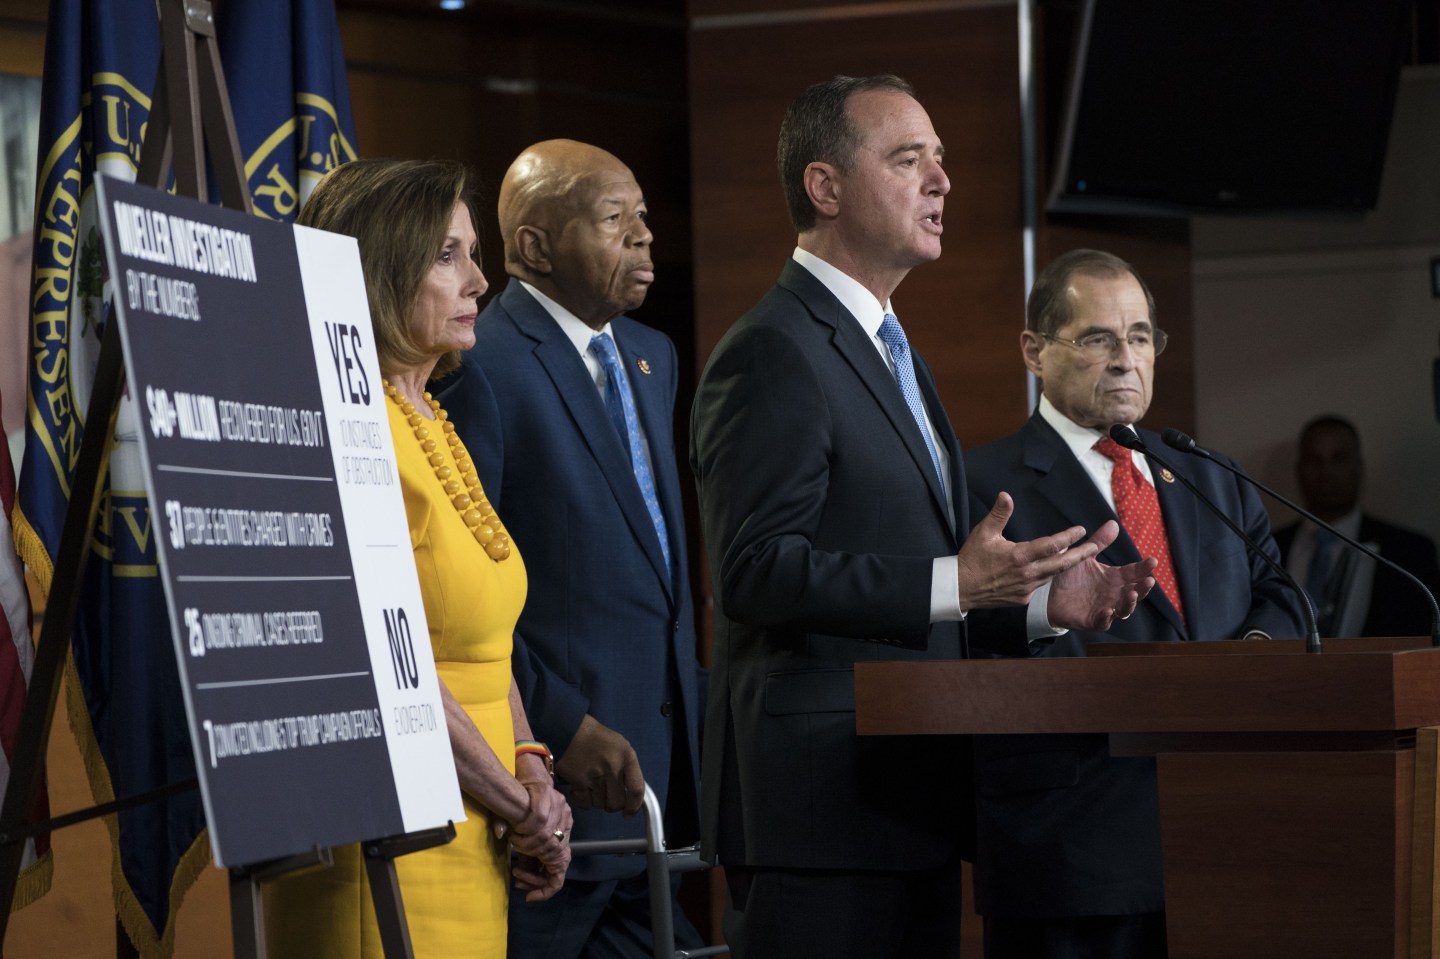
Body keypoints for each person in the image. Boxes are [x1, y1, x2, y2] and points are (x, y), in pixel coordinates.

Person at [689, 76, 1156, 959]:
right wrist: (956, 580)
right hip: (820, 819)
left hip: (912, 800)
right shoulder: (771, 351)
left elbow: (919, 581)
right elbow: (752, 571)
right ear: (824, 188)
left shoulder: (895, 350)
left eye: (940, 159)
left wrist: (1033, 604)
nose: (942, 180)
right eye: (909, 160)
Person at [265, 158, 572, 958]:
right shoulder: (342, 431)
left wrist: (533, 770)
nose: (480, 279)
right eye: (448, 255)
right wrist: (516, 800)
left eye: (473, 251)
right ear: (375, 272)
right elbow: (383, 664)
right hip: (385, 856)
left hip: (477, 840)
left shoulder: (432, 418)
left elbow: (481, 639)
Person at [963, 248, 1306, 959]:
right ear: (1034, 350)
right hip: (1072, 850)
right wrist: (1045, 609)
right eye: (1098, 338)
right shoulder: (980, 483)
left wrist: (1250, 660)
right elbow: (955, 638)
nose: (1126, 358)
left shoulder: (1209, 474)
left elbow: (1280, 596)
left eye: (1141, 335)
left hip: (1222, 835)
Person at [437, 139, 705, 956]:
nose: (644, 237)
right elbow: (464, 584)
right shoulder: (481, 364)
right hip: (551, 792)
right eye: (615, 219)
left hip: (656, 786)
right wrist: (558, 724)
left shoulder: (653, 356)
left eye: (645, 219)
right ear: (535, 248)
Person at [1274, 414, 1440, 638]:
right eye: (1315, 460)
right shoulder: (1266, 548)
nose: (1326, 471)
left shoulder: (1409, 552)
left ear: (1358, 467)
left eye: (1338, 459)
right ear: (1299, 469)